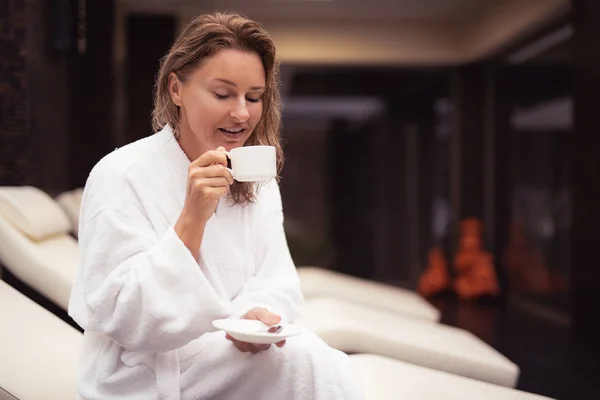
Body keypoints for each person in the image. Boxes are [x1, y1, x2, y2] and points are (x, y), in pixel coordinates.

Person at [68, 11, 365, 400]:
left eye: (254, 97)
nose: (242, 113)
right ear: (176, 89)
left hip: (228, 354)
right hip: (146, 373)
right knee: (306, 363)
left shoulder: (254, 176)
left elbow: (277, 280)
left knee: (315, 361)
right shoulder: (120, 174)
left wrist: (253, 318)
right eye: (223, 94)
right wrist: (192, 218)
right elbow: (121, 312)